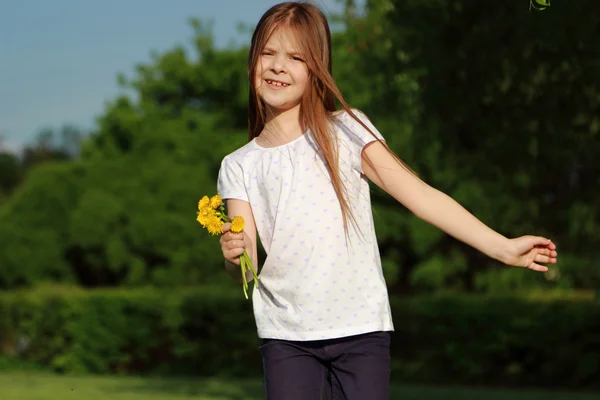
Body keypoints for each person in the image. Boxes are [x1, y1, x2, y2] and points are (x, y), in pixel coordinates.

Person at [216, 1, 558, 399]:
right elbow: (247, 266)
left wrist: (501, 246)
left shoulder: (345, 129)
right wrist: (232, 254)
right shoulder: (239, 164)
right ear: (252, 61)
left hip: (361, 329)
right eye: (268, 53)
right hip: (286, 337)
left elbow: (420, 196)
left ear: (316, 70)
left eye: (295, 57)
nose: (278, 66)